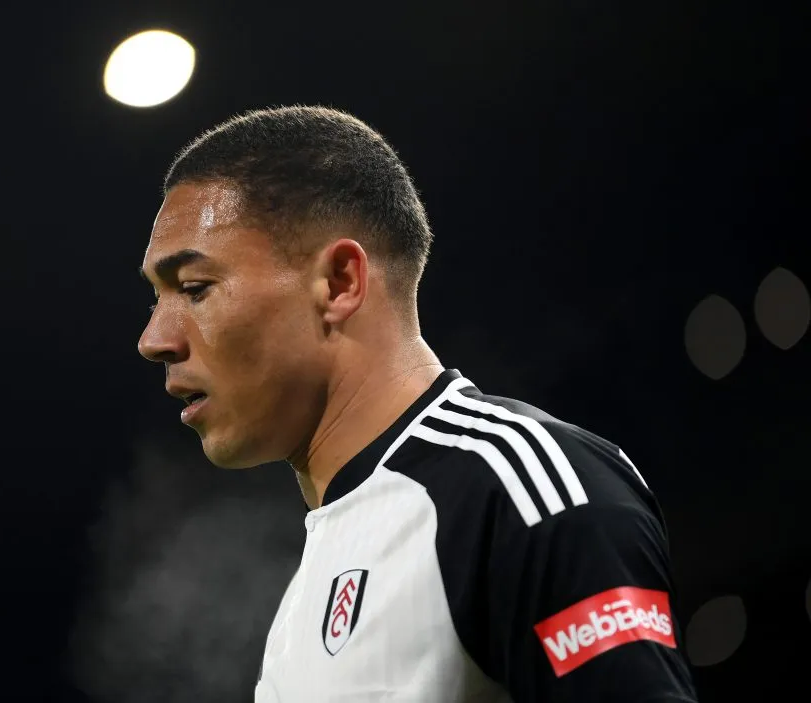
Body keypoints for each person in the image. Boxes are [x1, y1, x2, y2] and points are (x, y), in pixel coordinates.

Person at [137, 105, 698, 702]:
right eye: (155, 297)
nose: (154, 340)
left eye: (194, 289)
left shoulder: (515, 488)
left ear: (340, 283)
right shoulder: (315, 577)